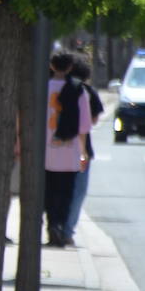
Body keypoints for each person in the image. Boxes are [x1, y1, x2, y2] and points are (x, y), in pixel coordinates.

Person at [44, 51, 91, 248]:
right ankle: (62, 227)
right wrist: (83, 151)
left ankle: (52, 223)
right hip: (69, 148)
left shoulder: (42, 86)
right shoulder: (79, 89)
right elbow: (84, 125)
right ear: (70, 67)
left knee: (49, 190)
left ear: (52, 66)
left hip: (46, 148)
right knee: (67, 191)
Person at [65, 54, 103, 245]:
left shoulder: (52, 88)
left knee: (58, 189)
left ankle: (55, 224)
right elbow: (93, 120)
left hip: (55, 148)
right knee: (78, 192)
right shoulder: (87, 91)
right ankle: (67, 230)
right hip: (81, 149)